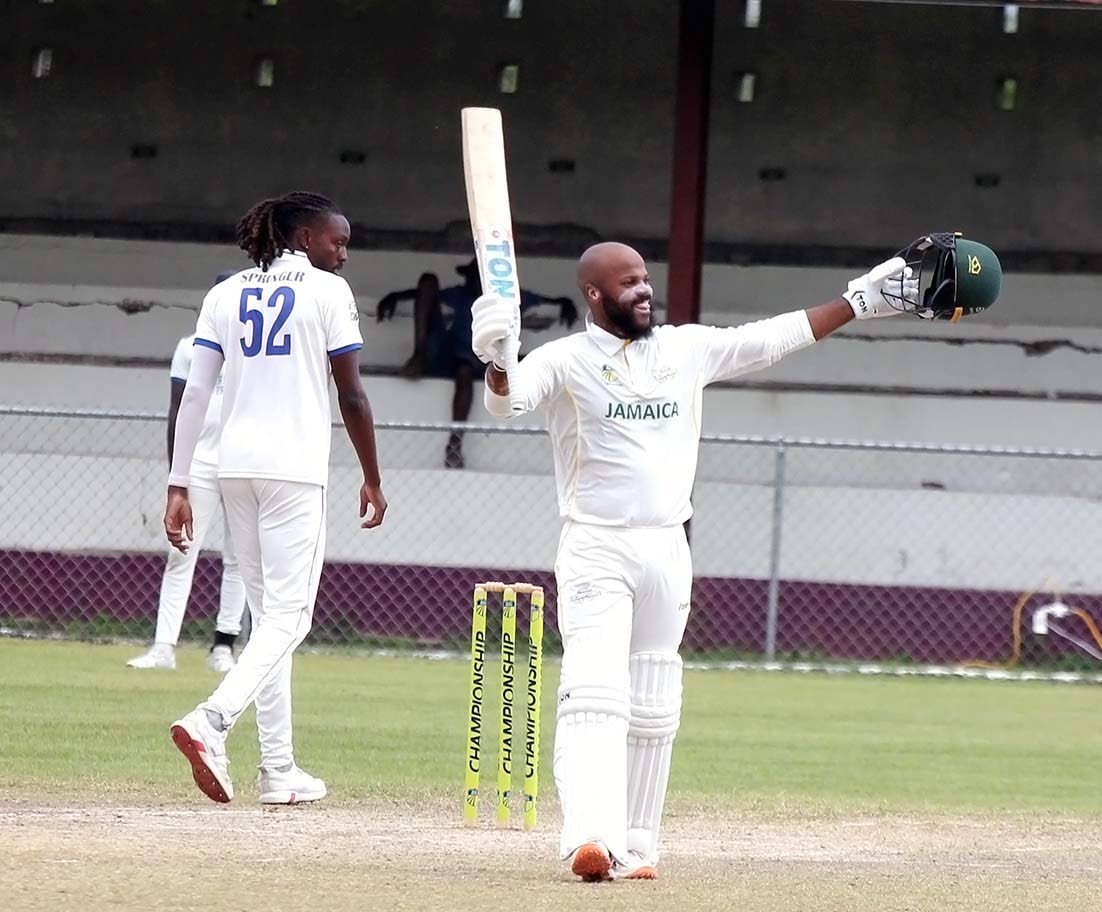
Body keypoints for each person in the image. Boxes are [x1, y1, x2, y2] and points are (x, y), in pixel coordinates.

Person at [471, 241, 921, 881]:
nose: (644, 290)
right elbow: (508, 401)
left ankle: (638, 843)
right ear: (595, 294)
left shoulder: (683, 349)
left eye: (645, 278)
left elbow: (769, 340)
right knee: (596, 691)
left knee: (655, 695)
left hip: (667, 544)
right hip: (597, 544)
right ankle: (588, 839)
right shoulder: (565, 361)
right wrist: (495, 361)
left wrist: (855, 302)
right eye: (628, 283)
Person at [164, 191, 388, 806]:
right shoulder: (327, 292)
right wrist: (372, 475)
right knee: (291, 619)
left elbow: (195, 396)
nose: (343, 253)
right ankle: (211, 722)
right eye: (337, 241)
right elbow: (353, 396)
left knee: (270, 624)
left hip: (232, 467)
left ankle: (278, 768)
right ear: (305, 237)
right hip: (293, 469)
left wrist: (178, 482)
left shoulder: (224, 293)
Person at [127, 273, 249, 674]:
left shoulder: (255, 348)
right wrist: (174, 475)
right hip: (200, 462)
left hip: (243, 462)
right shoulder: (189, 347)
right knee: (182, 552)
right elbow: (178, 409)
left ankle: (223, 646)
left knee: (240, 557)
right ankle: (164, 647)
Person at [377, 257, 577, 468]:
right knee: (428, 280)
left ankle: (455, 442)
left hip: (479, 362)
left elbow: (544, 299)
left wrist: (564, 302)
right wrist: (394, 296)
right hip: (446, 355)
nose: (471, 282)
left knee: (468, 369)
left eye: (477, 278)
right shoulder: (460, 294)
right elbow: (428, 294)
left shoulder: (505, 298)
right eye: (471, 277)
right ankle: (418, 355)